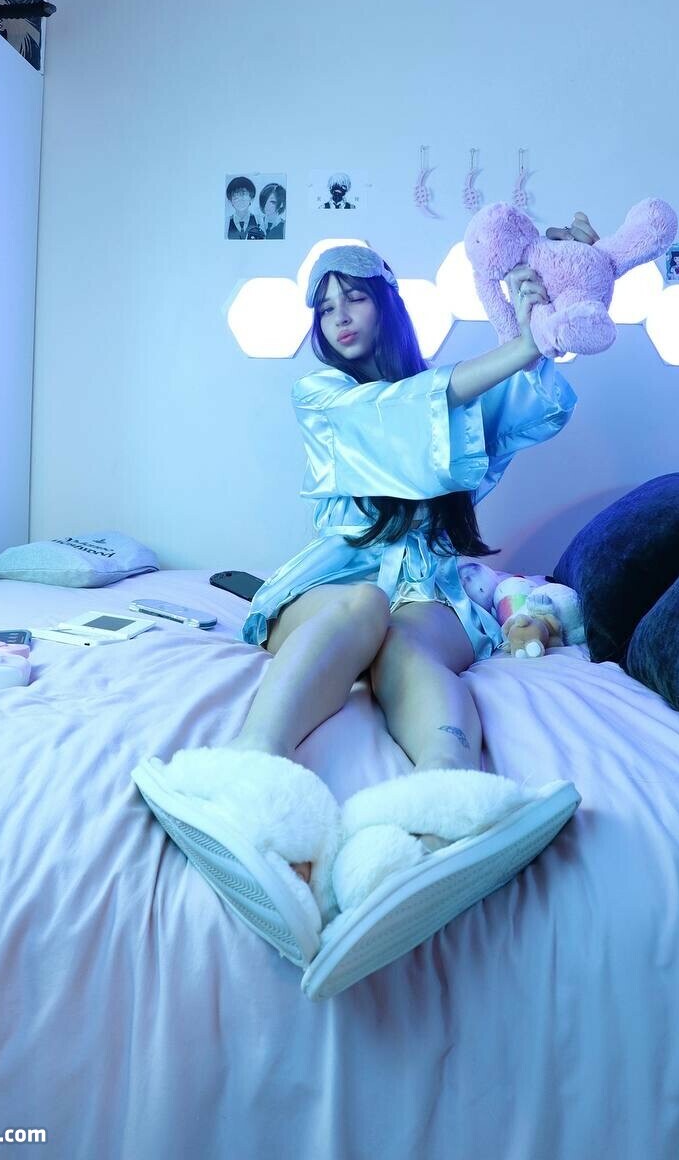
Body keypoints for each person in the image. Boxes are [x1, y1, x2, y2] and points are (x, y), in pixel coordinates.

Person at [132, 219, 596, 994]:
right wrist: (518, 346)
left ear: (386, 304)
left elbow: (531, 409)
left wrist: (538, 321)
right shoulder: (321, 396)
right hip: (338, 575)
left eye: (353, 297)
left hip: (429, 582)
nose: (338, 316)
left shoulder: (446, 391)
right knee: (361, 608)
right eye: (324, 306)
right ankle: (245, 770)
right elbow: (397, 418)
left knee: (409, 643)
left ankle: (445, 809)